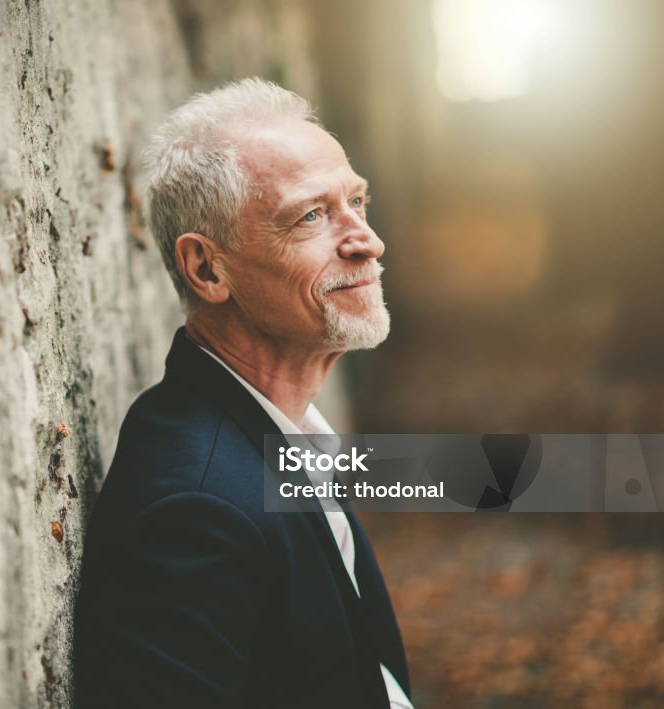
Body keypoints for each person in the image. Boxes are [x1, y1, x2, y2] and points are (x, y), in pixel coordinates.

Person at [73, 78, 411, 708]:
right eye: (311, 215)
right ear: (208, 269)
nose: (366, 240)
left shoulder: (276, 429)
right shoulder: (196, 510)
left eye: (357, 202)